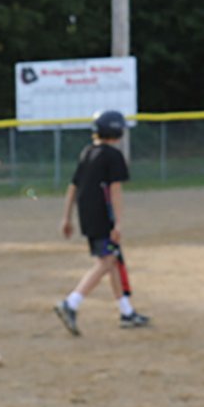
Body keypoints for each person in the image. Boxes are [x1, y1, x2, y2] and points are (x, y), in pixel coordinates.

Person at [54, 108, 150, 336]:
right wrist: (118, 223)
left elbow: (73, 187)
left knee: (112, 259)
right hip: (102, 216)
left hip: (86, 214)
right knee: (107, 261)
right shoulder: (112, 156)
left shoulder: (87, 152)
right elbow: (115, 191)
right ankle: (71, 303)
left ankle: (126, 312)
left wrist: (66, 217)